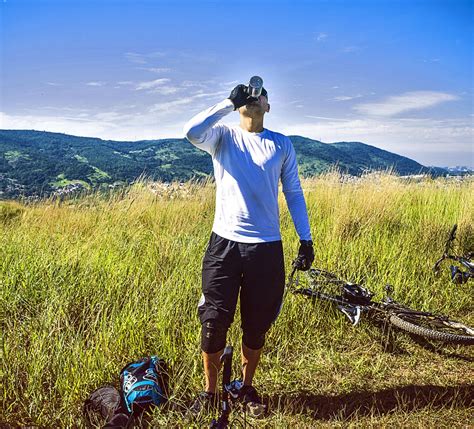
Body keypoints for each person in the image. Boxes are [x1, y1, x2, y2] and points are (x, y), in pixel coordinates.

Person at [182, 82, 314, 419]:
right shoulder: (223, 136)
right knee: (212, 323)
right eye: (250, 95)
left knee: (256, 326)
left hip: (266, 248)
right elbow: (190, 131)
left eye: (262, 95)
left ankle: (244, 386)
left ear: (268, 107)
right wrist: (229, 101)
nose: (255, 98)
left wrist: (306, 238)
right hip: (223, 244)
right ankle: (210, 392)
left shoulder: (281, 144)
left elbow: (294, 192)